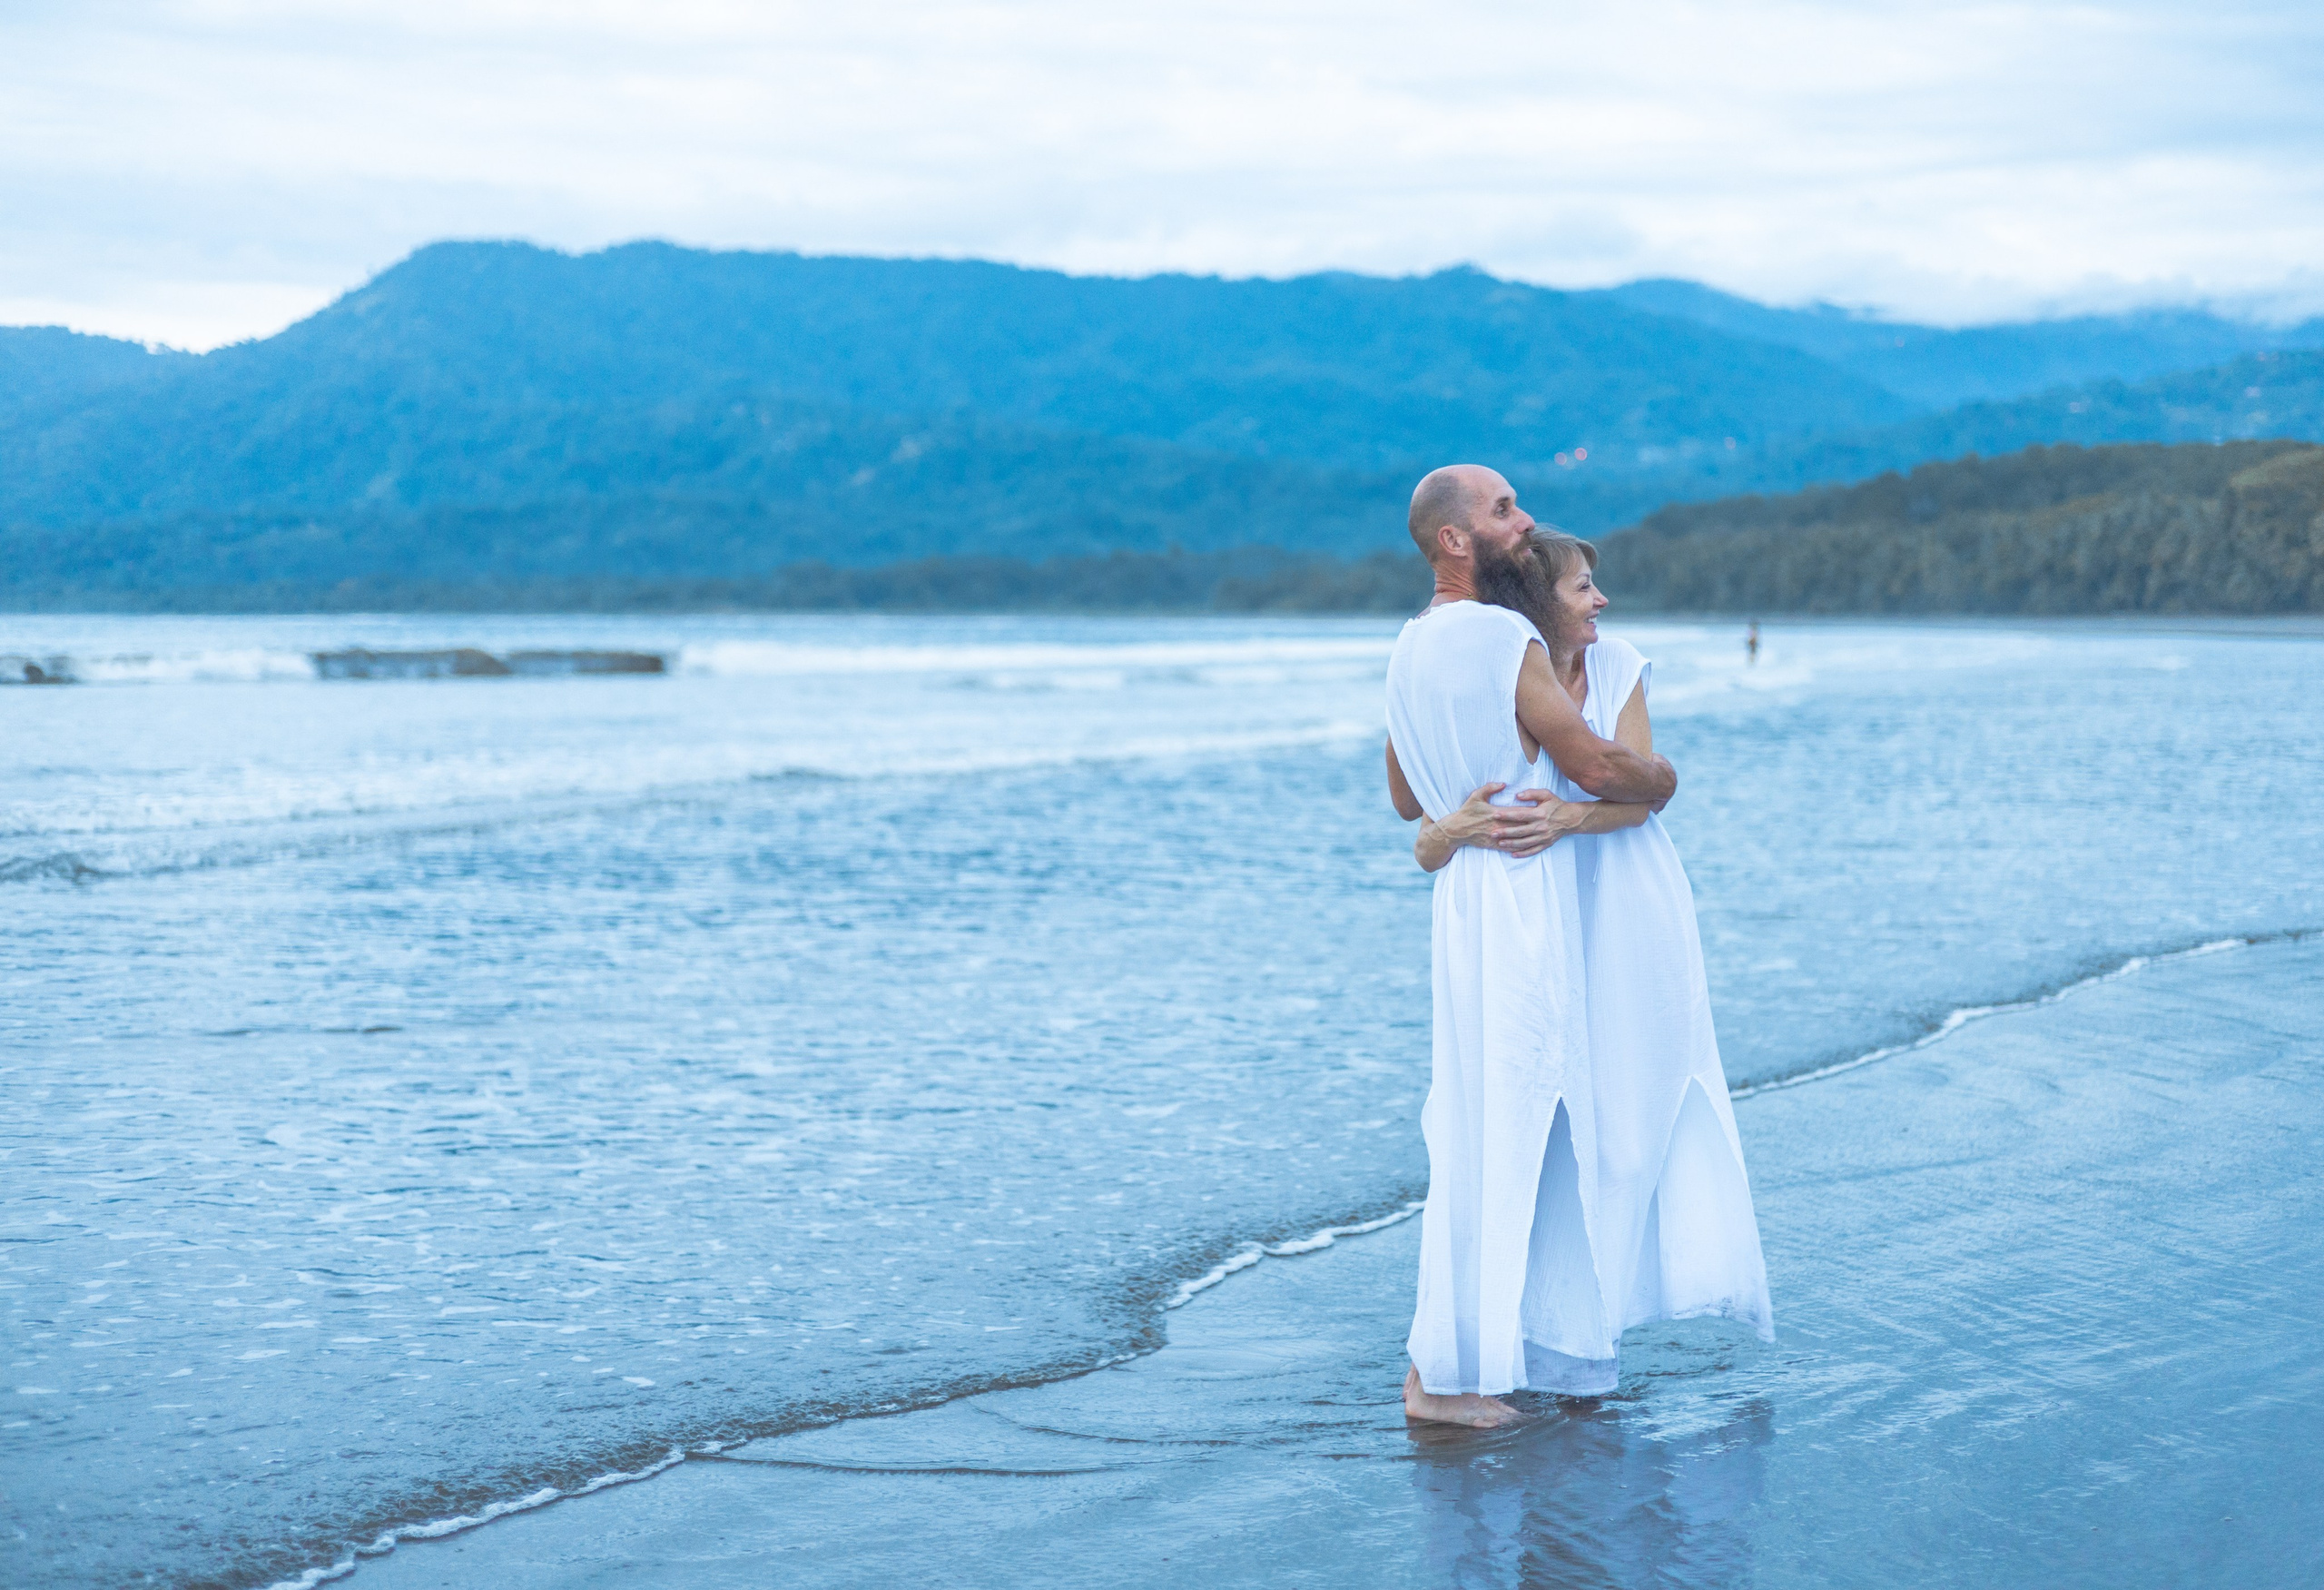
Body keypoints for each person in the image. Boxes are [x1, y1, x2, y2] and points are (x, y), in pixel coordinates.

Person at [1415, 526, 1774, 1405]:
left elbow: (1638, 791)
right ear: (1539, 602)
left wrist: (1577, 815)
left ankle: (1583, 1326)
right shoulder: (1499, 670)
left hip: (1625, 904)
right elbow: (1424, 812)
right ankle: (1525, 1337)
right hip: (1539, 919)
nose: (1600, 601)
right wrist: (1450, 830)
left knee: (1626, 1109)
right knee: (1543, 1118)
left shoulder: (1618, 666)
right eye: (1582, 588)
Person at [1383, 465, 1678, 1428]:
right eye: (1504, 509)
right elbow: (1597, 764)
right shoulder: (1501, 636)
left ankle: (1502, 1351)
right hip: (1518, 898)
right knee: (1518, 1124)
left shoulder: (1408, 644)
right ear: (1453, 540)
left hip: (1464, 903)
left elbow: (1405, 797)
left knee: (1480, 1124)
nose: (1525, 519)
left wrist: (1449, 826)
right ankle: (1441, 1378)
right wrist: (1663, 777)